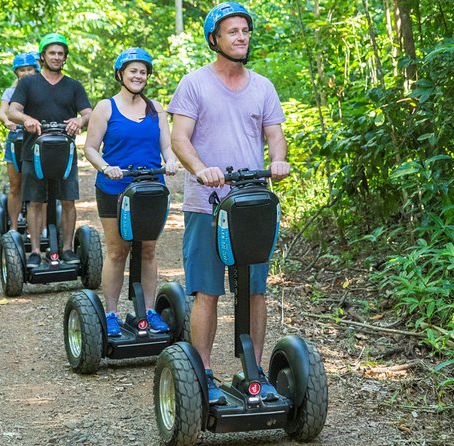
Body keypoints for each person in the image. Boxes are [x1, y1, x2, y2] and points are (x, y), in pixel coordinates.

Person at [168, 2, 291, 405]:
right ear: (214, 40)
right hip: (208, 204)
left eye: (245, 31)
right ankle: (202, 371)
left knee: (256, 290)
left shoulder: (263, 86)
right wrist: (202, 169)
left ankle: (252, 371)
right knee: (208, 290)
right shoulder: (194, 83)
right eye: (233, 32)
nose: (242, 37)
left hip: (252, 204)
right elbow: (179, 139)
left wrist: (278, 159)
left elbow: (274, 134)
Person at [83, 48, 179, 336]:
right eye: (133, 71)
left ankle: (148, 311)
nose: (138, 76)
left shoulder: (156, 108)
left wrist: (171, 160)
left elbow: (166, 145)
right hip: (115, 188)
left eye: (143, 71)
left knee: (147, 249)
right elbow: (90, 148)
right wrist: (105, 167)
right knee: (117, 251)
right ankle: (110, 313)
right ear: (120, 74)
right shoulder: (106, 107)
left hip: (150, 189)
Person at [7, 33, 92, 269]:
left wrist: (79, 121)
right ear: (43, 56)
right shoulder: (28, 83)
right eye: (52, 53)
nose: (56, 57)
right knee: (35, 201)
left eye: (60, 53)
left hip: (65, 153)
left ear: (65, 58)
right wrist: (27, 119)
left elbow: (88, 113)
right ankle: (35, 251)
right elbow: (13, 111)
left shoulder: (73, 86)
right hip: (33, 152)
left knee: (68, 200)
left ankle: (66, 249)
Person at [0, 52, 39, 231]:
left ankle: (35, 228)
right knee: (15, 186)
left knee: (38, 187)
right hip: (17, 138)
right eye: (22, 70)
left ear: (35, 70)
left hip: (37, 139)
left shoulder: (42, 89)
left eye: (29, 69)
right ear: (17, 72)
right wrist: (7, 122)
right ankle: (14, 228)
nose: (26, 73)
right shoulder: (10, 92)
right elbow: (2, 112)